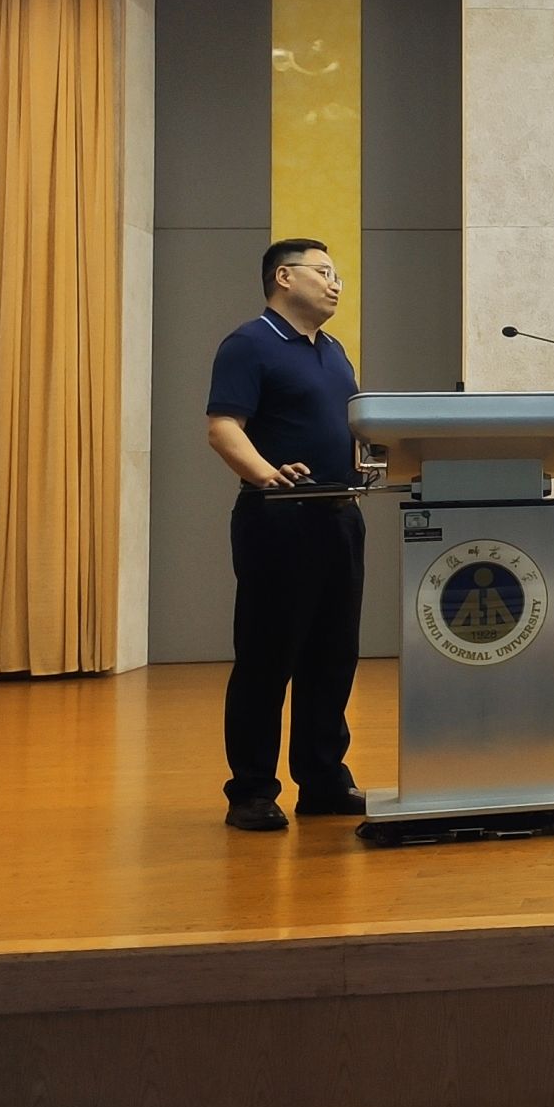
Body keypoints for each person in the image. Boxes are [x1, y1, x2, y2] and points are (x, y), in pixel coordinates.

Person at [204, 238, 367, 831]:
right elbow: (223, 425)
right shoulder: (250, 343)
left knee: (333, 654)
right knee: (268, 657)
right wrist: (265, 473)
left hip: (339, 515)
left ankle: (323, 781)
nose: (335, 283)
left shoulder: (335, 351)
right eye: (323, 272)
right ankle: (250, 791)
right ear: (284, 277)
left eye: (337, 274)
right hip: (278, 519)